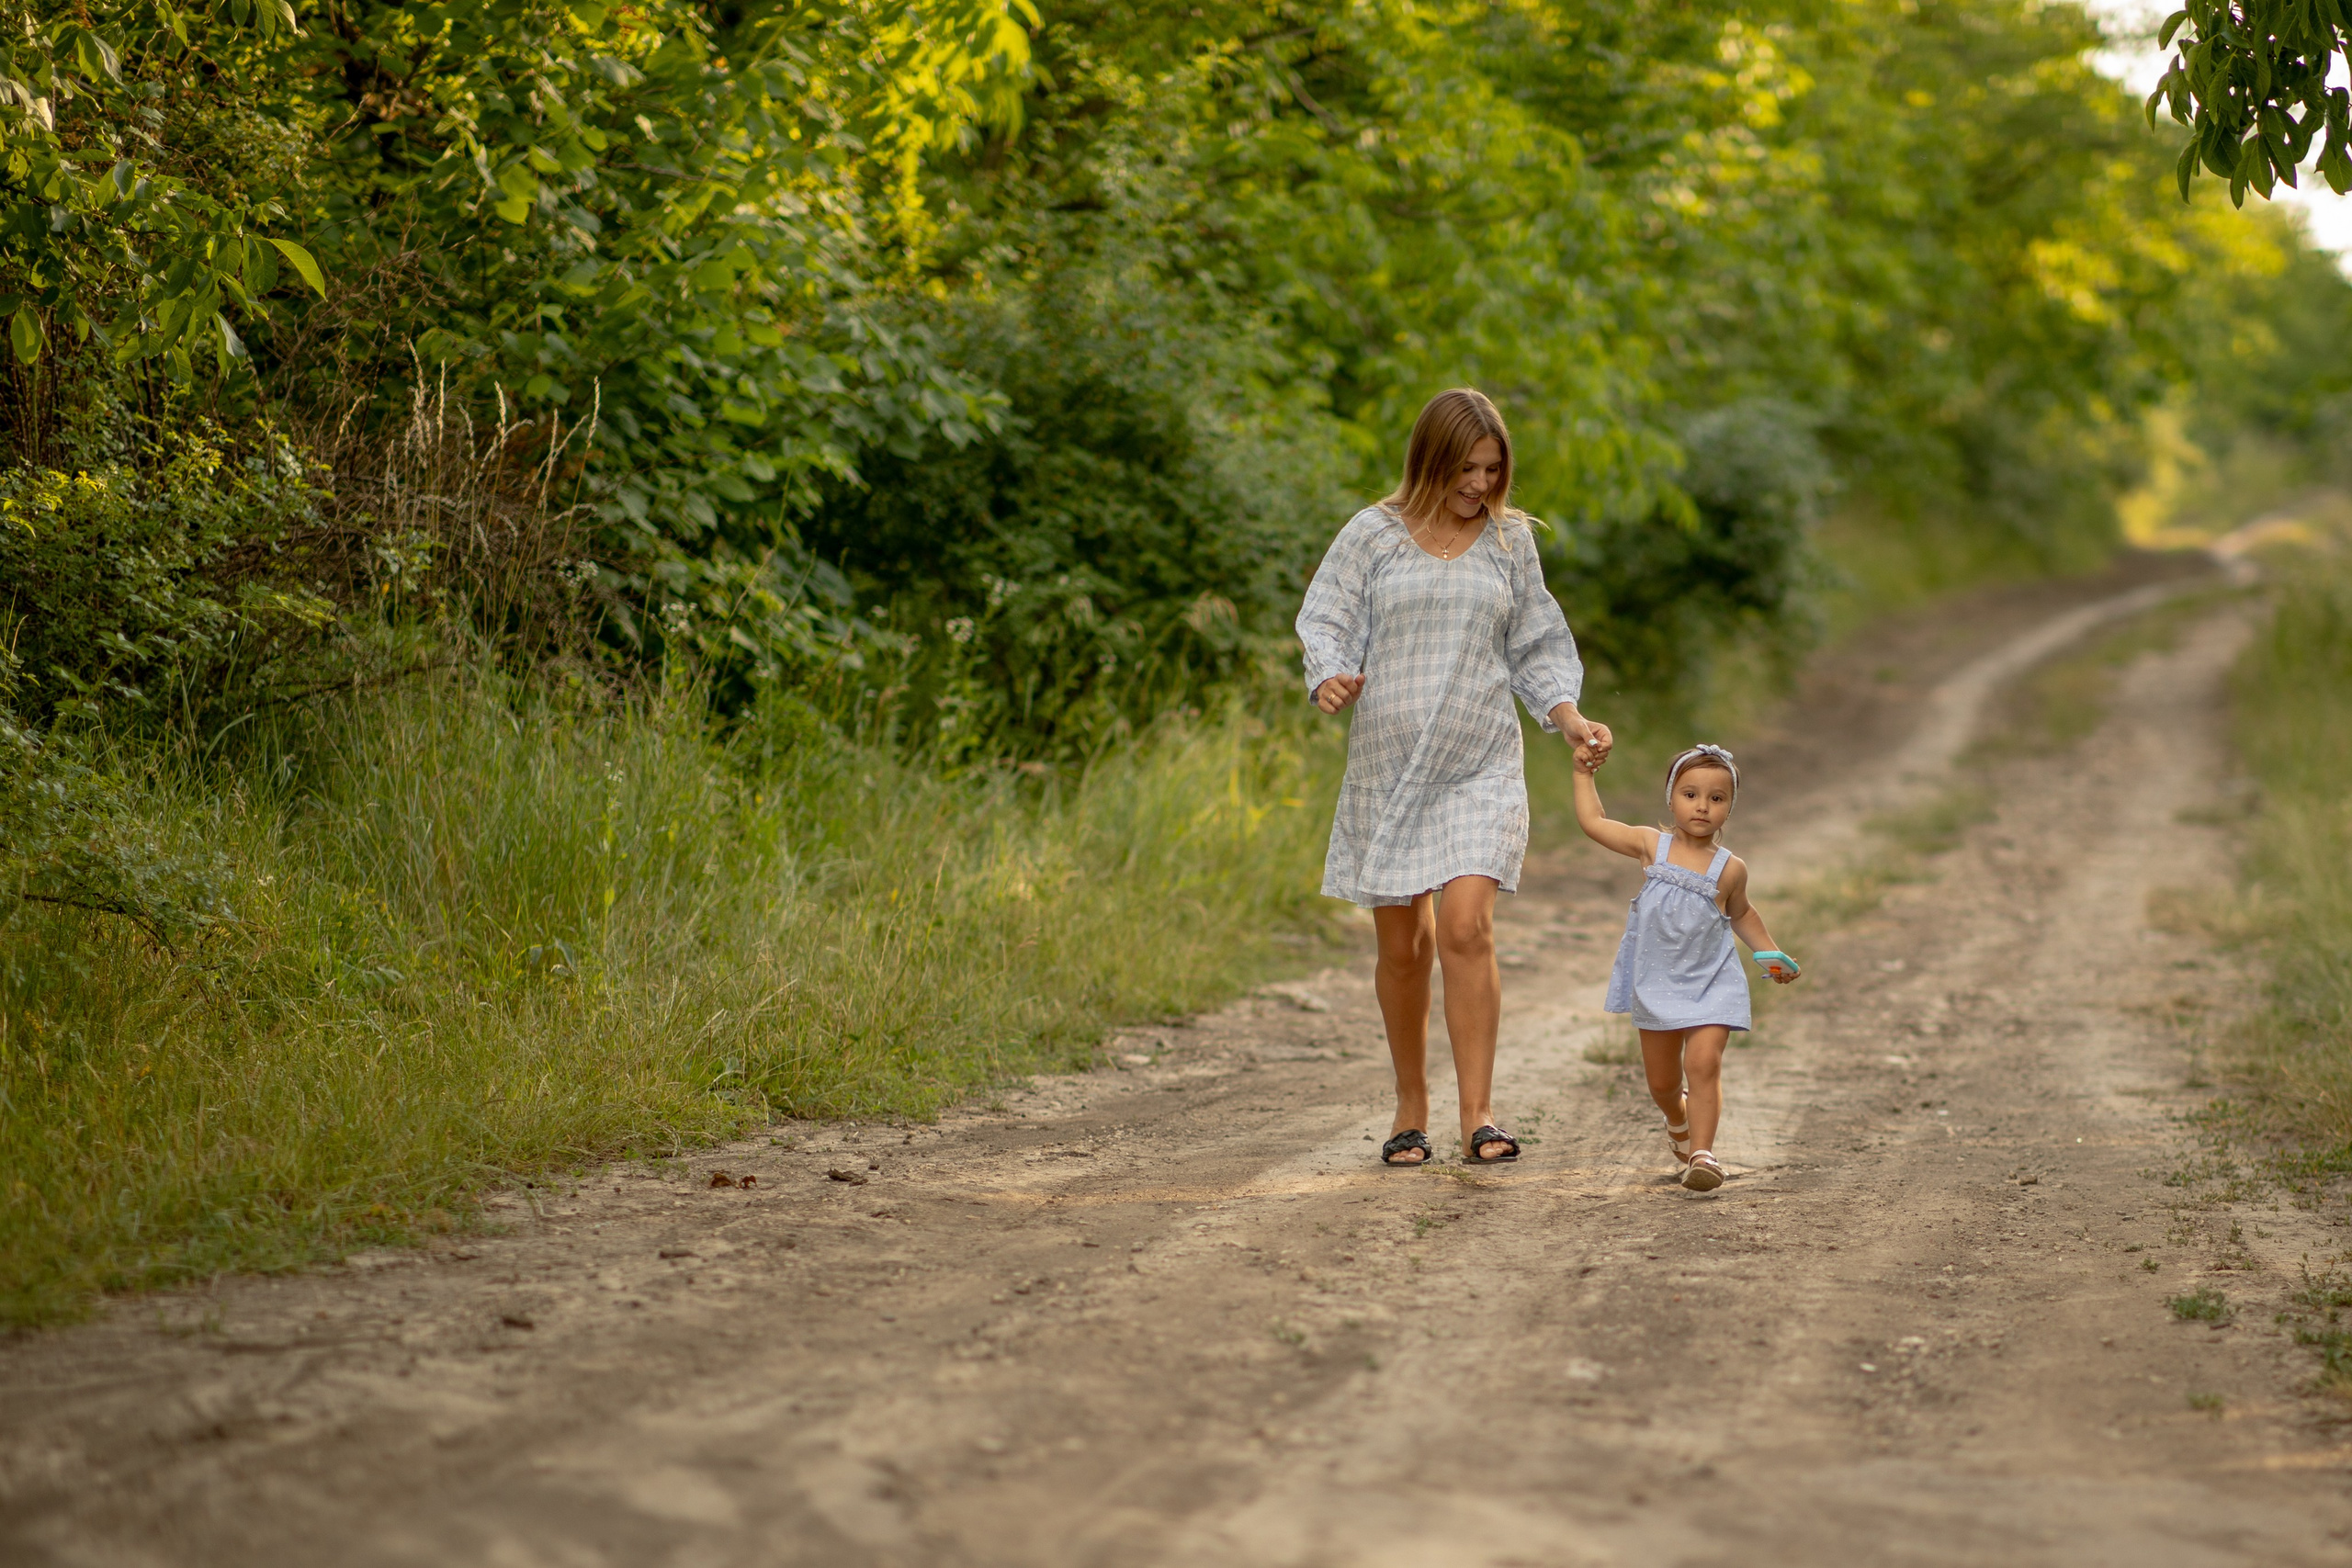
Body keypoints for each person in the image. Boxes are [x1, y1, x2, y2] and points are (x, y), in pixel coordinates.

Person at [1297, 388, 1611, 1167]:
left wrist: (1568, 717)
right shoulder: (1372, 536)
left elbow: (1537, 641)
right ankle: (1412, 1108)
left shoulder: (1510, 542)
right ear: (1431, 460)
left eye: (1492, 469)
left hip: (1479, 761)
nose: (1479, 484)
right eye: (1467, 468)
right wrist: (1331, 673)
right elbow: (1327, 617)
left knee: (1467, 925)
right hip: (1390, 766)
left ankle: (1481, 1114)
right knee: (1405, 947)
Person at [1573, 742, 1798, 1191]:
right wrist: (1583, 775)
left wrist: (1769, 952)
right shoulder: (1649, 845)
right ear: (1671, 798)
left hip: (1712, 983)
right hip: (1656, 983)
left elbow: (1743, 914)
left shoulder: (1731, 869)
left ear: (1729, 808)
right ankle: (1677, 1118)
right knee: (1662, 1083)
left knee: (1704, 1062)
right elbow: (1594, 823)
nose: (1702, 806)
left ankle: (1703, 1153)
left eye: (1717, 798)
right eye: (1690, 794)